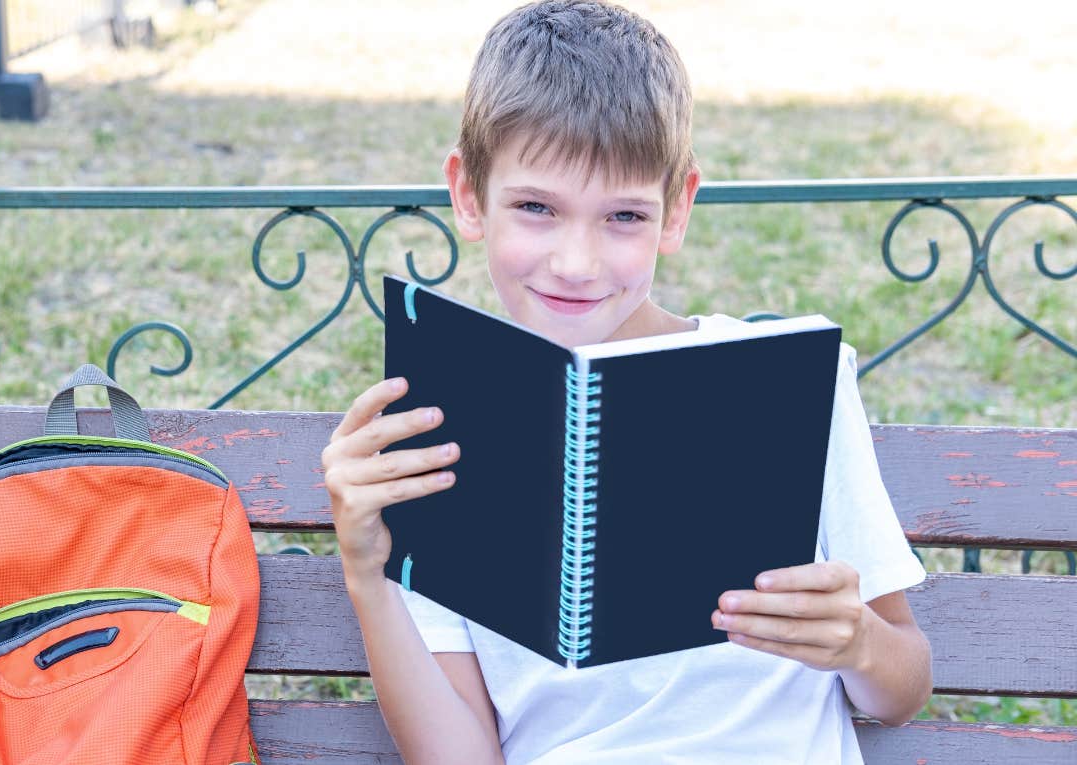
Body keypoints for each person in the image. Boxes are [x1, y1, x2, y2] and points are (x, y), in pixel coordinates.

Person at [320, 2, 932, 763]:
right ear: (469, 194)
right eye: (537, 208)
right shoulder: (435, 426)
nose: (577, 262)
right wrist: (365, 571)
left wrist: (859, 642)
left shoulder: (790, 381)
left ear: (677, 211)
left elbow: (902, 687)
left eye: (624, 217)